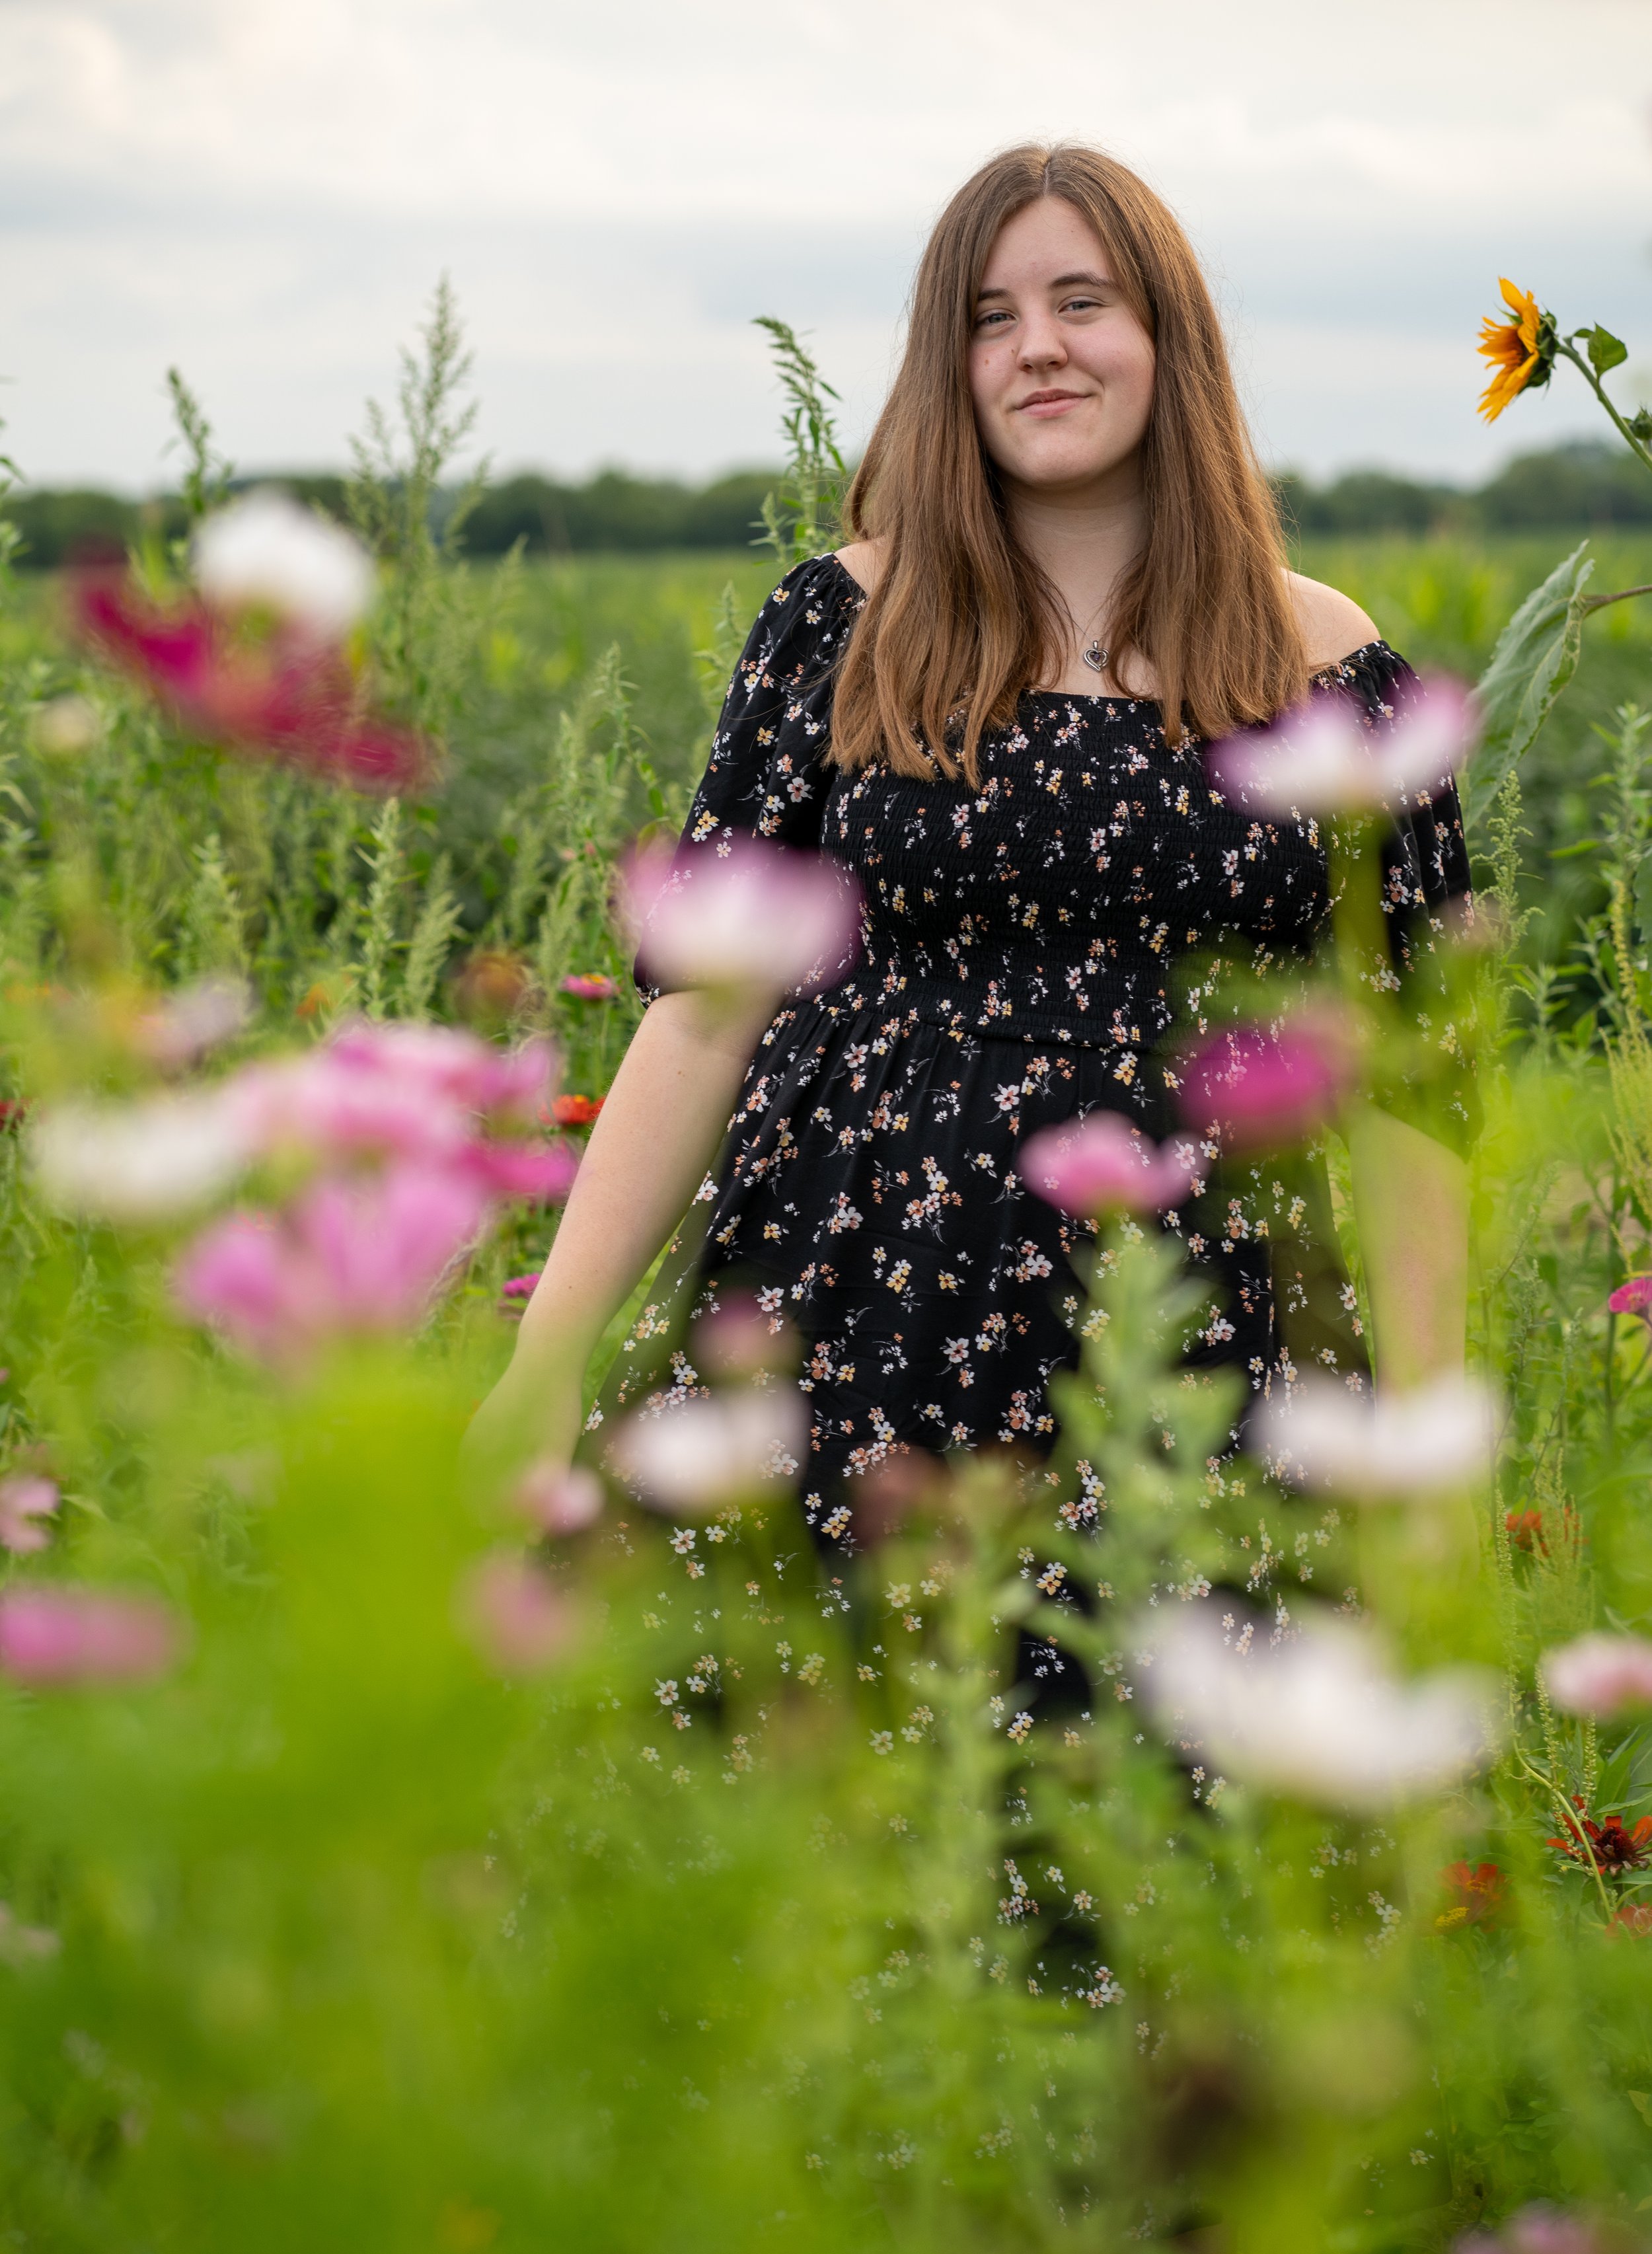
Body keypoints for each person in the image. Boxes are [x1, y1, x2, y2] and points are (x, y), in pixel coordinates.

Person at [470, 142, 1471, 1544]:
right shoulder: (838, 624)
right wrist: (549, 1349)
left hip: (1201, 1334)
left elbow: (1406, 1087)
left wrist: (1426, 1445)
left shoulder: (1323, 663)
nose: (1035, 350)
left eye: (1080, 302)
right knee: (809, 1748)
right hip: (853, 1309)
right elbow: (703, 1014)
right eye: (987, 319)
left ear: (1165, 337)